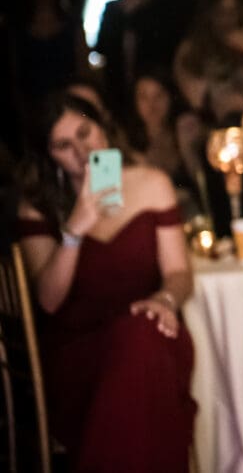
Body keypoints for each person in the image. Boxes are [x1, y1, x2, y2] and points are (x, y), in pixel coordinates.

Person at [15, 92, 196, 472]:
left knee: (143, 336)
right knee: (139, 356)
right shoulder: (37, 204)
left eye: (85, 132)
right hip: (80, 354)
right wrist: (73, 231)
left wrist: (165, 299)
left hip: (152, 329)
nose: (81, 151)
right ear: (49, 155)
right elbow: (48, 302)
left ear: (103, 128)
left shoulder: (152, 183)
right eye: (64, 145)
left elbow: (180, 275)